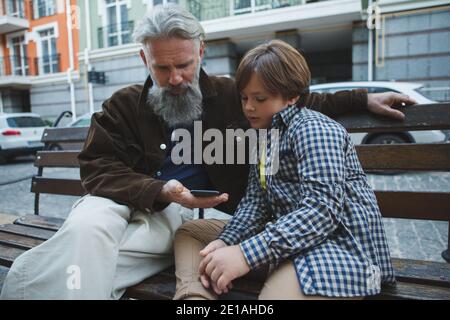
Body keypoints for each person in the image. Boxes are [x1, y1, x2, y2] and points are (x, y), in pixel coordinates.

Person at [1, 5, 409, 300]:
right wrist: (159, 190)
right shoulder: (122, 105)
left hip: (172, 217)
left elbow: (294, 103)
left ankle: (31, 287)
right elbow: (94, 167)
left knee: (119, 249)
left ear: (202, 52)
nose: (176, 78)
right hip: (122, 201)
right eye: (162, 69)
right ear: (145, 59)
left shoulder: (237, 96)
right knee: (89, 228)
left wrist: (362, 97)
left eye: (184, 65)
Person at [173, 40, 395, 300]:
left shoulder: (313, 129)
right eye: (244, 97)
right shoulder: (265, 137)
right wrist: (227, 242)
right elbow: (255, 203)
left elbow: (321, 211)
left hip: (337, 248)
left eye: (260, 98)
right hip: (286, 239)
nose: (248, 107)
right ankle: (194, 300)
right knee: (191, 233)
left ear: (292, 96)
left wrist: (245, 254)